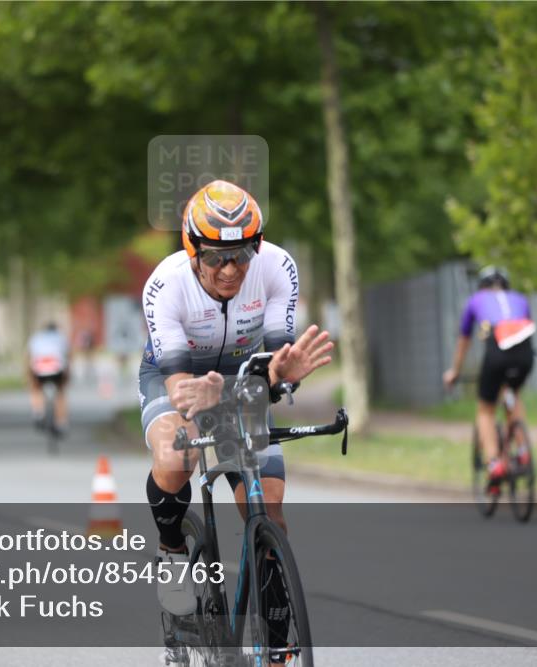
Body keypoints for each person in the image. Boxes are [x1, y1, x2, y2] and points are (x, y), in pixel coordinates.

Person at [139, 180, 332, 656]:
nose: (230, 270)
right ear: (192, 252)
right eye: (214, 258)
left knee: (267, 502)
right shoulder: (164, 286)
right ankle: (172, 550)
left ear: (257, 247)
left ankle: (277, 648)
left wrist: (282, 376)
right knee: (174, 456)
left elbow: (276, 366)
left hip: (244, 376)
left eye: (242, 255)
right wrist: (202, 397)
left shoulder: (277, 267)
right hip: (179, 378)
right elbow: (180, 390)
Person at [443, 265, 536, 490]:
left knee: (485, 409)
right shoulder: (520, 298)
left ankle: (494, 463)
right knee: (512, 394)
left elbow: (464, 340)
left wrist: (454, 371)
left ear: (482, 286)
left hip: (497, 348)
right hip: (524, 352)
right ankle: (523, 452)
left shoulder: (476, 300)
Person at [27, 322, 70, 433]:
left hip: (39, 367)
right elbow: (68, 356)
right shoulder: (61, 337)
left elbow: (29, 356)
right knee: (61, 392)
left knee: (36, 388)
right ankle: (61, 422)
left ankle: (38, 412)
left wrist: (28, 376)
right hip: (57, 367)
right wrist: (67, 377)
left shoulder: (36, 338)